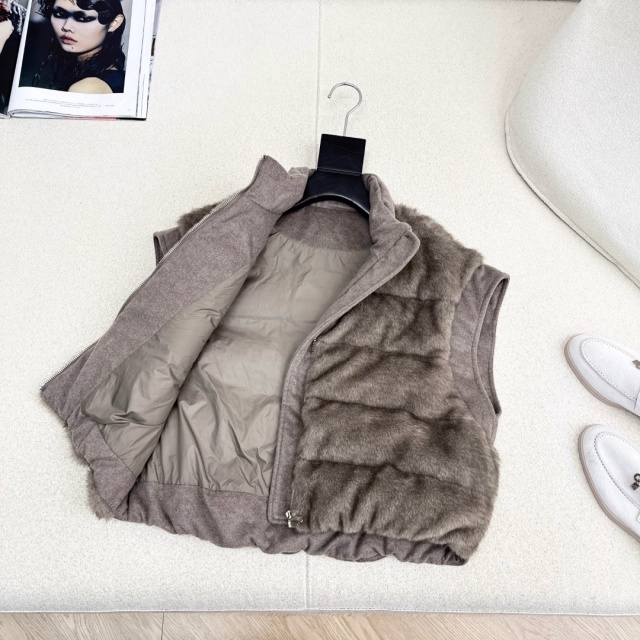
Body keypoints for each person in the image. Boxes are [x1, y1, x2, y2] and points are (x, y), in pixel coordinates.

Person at [31, 0, 126, 94]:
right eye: (59, 14)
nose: (66, 27)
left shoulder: (87, 88)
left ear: (114, 23)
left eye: (83, 18)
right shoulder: (113, 75)